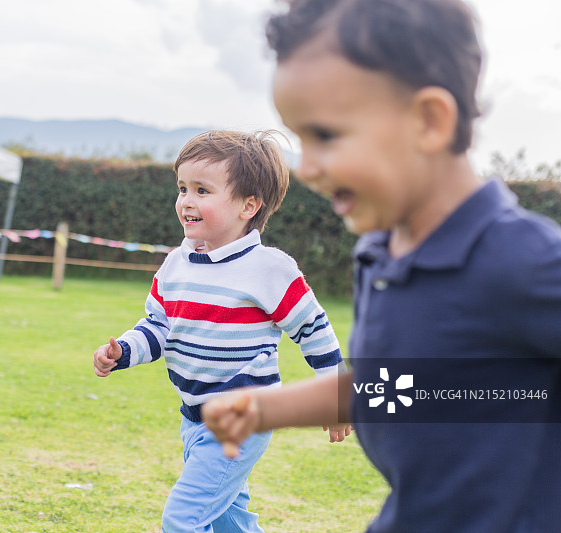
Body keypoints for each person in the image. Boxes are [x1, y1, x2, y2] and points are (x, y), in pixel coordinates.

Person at [202, 1, 561, 532]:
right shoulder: (379, 254)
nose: (307, 167)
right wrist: (264, 408)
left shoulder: (523, 260)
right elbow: (392, 387)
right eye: (300, 140)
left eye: (326, 136)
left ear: (429, 121)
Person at [93, 129, 350, 533]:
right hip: (194, 418)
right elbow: (158, 327)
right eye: (182, 188)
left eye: (202, 190)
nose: (186, 200)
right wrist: (124, 350)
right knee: (229, 519)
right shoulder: (175, 265)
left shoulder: (269, 269)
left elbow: (314, 332)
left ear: (249, 205)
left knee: (183, 520)